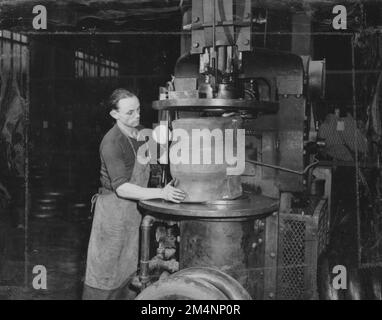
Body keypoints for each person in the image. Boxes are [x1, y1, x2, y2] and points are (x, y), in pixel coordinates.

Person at [82, 89, 186, 300]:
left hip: (133, 212)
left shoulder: (140, 132)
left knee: (131, 271)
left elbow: (161, 154)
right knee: (106, 274)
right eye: (130, 112)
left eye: (138, 110)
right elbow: (122, 188)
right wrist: (162, 192)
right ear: (115, 114)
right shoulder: (111, 142)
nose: (137, 115)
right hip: (113, 214)